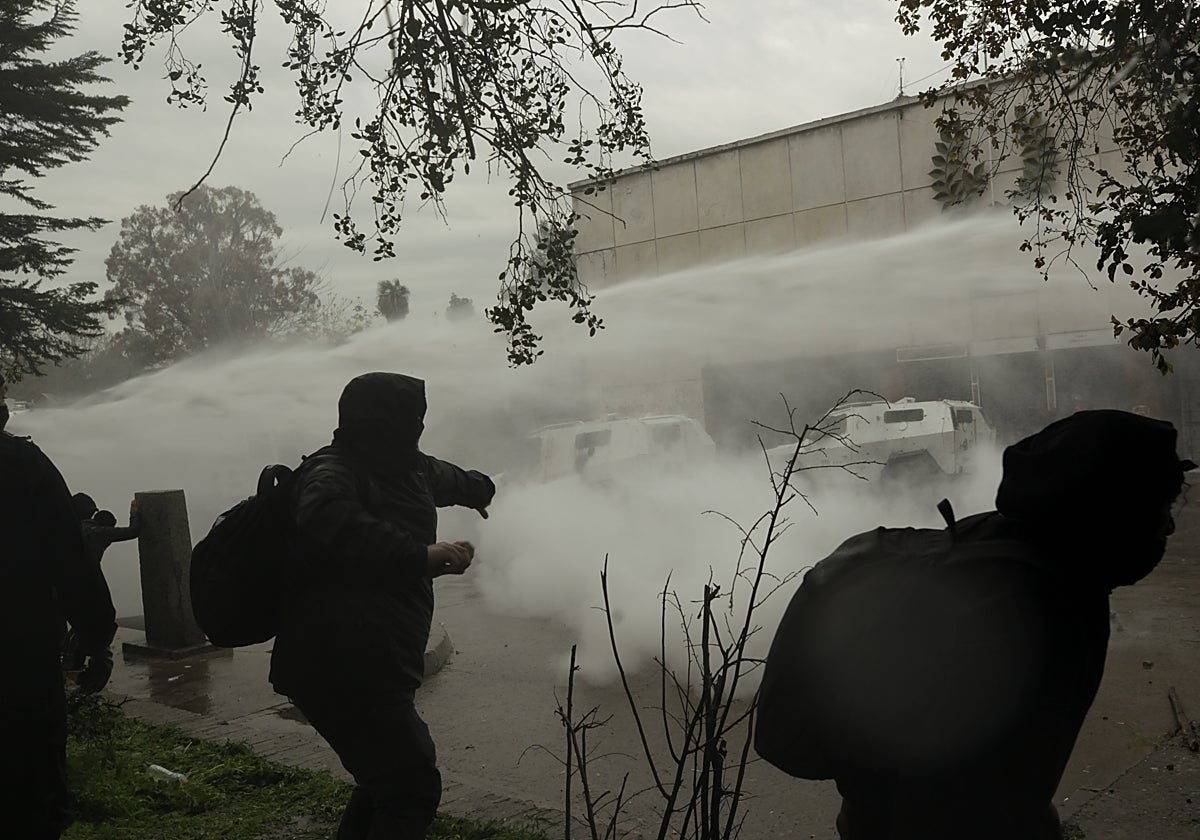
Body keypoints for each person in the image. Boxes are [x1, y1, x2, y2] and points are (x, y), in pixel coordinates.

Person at [755, 409, 1193, 840]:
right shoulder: (1034, 615)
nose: (1170, 525)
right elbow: (948, 804)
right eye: (1160, 506)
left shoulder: (1011, 545)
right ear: (1113, 509)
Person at [269, 371, 495, 840]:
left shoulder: (408, 467)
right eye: (412, 418)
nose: (420, 427)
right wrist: (421, 556)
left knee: (385, 780)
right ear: (384, 421)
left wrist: (479, 489)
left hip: (381, 656)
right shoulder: (332, 471)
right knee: (410, 785)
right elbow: (331, 522)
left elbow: (446, 477)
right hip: (337, 661)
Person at [0, 372, 117, 839]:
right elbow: (71, 560)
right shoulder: (22, 465)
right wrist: (96, 639)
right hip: (19, 660)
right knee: (29, 792)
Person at [61, 494, 140, 669]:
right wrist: (134, 512)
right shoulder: (98, 532)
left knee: (80, 621)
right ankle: (92, 658)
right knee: (103, 619)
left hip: (63, 584)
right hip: (88, 583)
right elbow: (133, 531)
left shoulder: (67, 530)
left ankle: (70, 659)